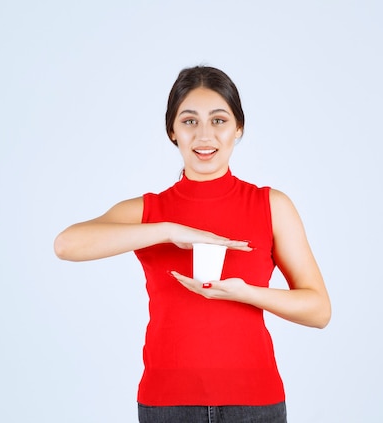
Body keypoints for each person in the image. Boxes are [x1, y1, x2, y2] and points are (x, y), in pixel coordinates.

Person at [54, 65, 331, 423]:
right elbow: (66, 245)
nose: (204, 135)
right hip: (167, 404)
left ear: (238, 130)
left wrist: (244, 293)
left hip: (255, 402)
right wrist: (168, 230)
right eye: (189, 121)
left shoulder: (271, 205)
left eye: (219, 121)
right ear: (172, 131)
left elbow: (319, 309)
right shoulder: (148, 210)